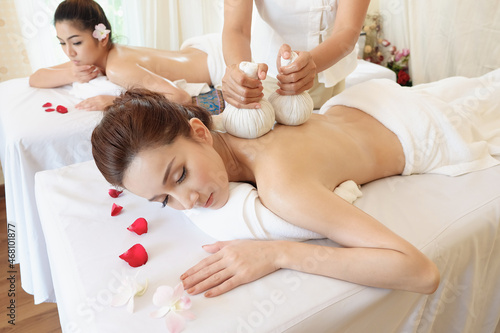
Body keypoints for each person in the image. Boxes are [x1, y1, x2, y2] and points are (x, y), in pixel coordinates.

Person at [91, 69, 500, 298]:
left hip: (423, 125)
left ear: (199, 131)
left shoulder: (282, 184)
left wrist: (280, 254)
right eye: (164, 200)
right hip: (375, 104)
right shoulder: (236, 120)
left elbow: (420, 272)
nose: (189, 201)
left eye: (179, 175)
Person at [29, 0, 224, 111]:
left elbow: (180, 97)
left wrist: (114, 101)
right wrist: (72, 74)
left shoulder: (117, 68)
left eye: (76, 42)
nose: (69, 52)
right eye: (62, 43)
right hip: (199, 49)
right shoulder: (91, 57)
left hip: (217, 61)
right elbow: (35, 78)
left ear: (102, 38)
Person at [221, 0, 370, 109]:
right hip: (270, 78)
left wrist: (312, 63)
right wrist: (240, 72)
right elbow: (236, 28)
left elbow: (348, 29)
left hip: (331, 72)